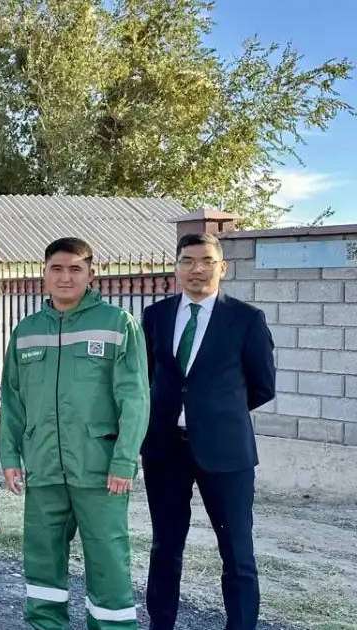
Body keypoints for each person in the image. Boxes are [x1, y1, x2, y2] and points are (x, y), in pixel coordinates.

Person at [0, 237, 149, 630]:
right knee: (42, 560)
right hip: (44, 465)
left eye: (75, 269)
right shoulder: (26, 331)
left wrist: (124, 460)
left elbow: (135, 398)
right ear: (44, 274)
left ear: (91, 274)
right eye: (57, 269)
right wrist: (10, 457)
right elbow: (12, 400)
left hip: (99, 469)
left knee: (107, 561)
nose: (65, 277)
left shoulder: (117, 324)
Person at [141, 233, 274, 630]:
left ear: (222, 267)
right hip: (165, 450)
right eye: (187, 260)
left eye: (206, 261)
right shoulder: (156, 316)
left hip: (226, 451)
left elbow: (263, 385)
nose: (196, 269)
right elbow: (145, 377)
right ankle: (160, 623)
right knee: (165, 547)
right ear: (176, 267)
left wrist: (214, 415)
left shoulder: (246, 319)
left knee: (237, 552)